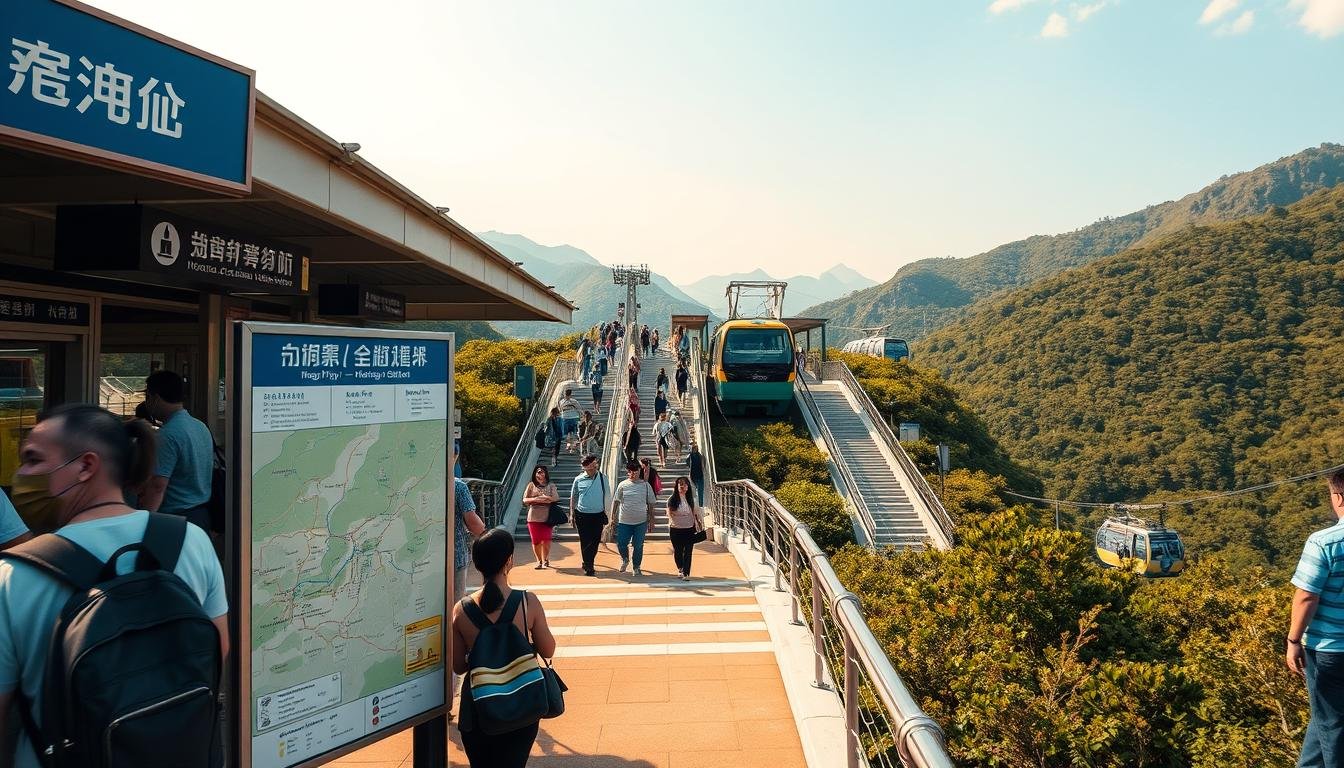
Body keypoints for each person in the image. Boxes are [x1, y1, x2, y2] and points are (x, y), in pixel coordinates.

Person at [0, 404, 227, 768]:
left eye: (33, 459)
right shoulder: (190, 540)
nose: (22, 474)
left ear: (86, 466)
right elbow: (218, 649)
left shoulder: (14, 575)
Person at [452, 529, 556, 768]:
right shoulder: (527, 602)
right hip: (522, 704)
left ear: (476, 563)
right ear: (509, 560)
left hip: (479, 706)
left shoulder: (461, 609)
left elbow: (458, 666)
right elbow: (548, 650)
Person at [1289, 468, 1344, 766]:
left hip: (1329, 650)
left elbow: (1307, 595)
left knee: (1334, 726)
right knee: (1325, 717)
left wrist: (1293, 640)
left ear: (1338, 498)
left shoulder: (1324, 541)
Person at [138, 370, 214, 532]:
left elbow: (158, 485)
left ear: (155, 398)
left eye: (147, 396)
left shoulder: (167, 435)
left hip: (174, 519)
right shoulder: (200, 426)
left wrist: (144, 521)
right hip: (202, 514)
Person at [614, 462, 655, 576]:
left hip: (641, 521)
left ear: (639, 470)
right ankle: (625, 559)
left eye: (634, 471)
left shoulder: (646, 485)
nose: (632, 473)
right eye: (629, 471)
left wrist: (652, 519)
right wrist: (613, 518)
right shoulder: (622, 485)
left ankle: (636, 566)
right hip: (624, 521)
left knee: (638, 545)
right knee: (621, 544)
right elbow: (616, 501)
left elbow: (651, 503)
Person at [569, 455, 609, 576]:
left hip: (598, 514)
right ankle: (589, 564)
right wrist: (571, 514)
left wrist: (608, 512)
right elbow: (573, 496)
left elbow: (607, 495)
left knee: (595, 540)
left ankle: (587, 561)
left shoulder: (603, 478)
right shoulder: (578, 479)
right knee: (585, 540)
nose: (589, 466)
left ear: (595, 463)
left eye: (591, 463)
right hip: (582, 514)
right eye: (586, 464)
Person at [453, 475, 488, 603]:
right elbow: (473, 523)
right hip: (455, 555)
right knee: (455, 602)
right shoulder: (458, 485)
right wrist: (485, 533)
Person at [667, 477, 704, 581]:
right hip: (676, 529)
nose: (683, 487)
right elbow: (669, 513)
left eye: (686, 485)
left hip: (689, 529)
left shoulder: (692, 500)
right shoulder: (672, 500)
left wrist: (699, 524)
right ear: (677, 486)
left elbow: (697, 513)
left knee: (688, 551)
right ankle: (680, 568)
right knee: (678, 552)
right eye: (681, 485)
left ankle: (686, 573)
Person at [523, 465, 558, 569]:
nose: (540, 474)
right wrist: (537, 499)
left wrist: (546, 498)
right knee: (536, 540)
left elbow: (555, 498)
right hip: (533, 517)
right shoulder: (531, 485)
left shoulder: (551, 485)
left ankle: (546, 559)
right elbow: (525, 500)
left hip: (547, 517)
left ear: (546, 473)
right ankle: (539, 561)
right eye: (538, 472)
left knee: (546, 540)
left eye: (542, 472)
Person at [688, 440, 706, 507]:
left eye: (696, 448)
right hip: (694, 476)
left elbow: (703, 464)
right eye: (694, 448)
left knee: (700, 491)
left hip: (700, 476)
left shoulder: (700, 456)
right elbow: (688, 465)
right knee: (696, 492)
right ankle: (697, 506)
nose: (695, 449)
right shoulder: (690, 457)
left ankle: (700, 506)